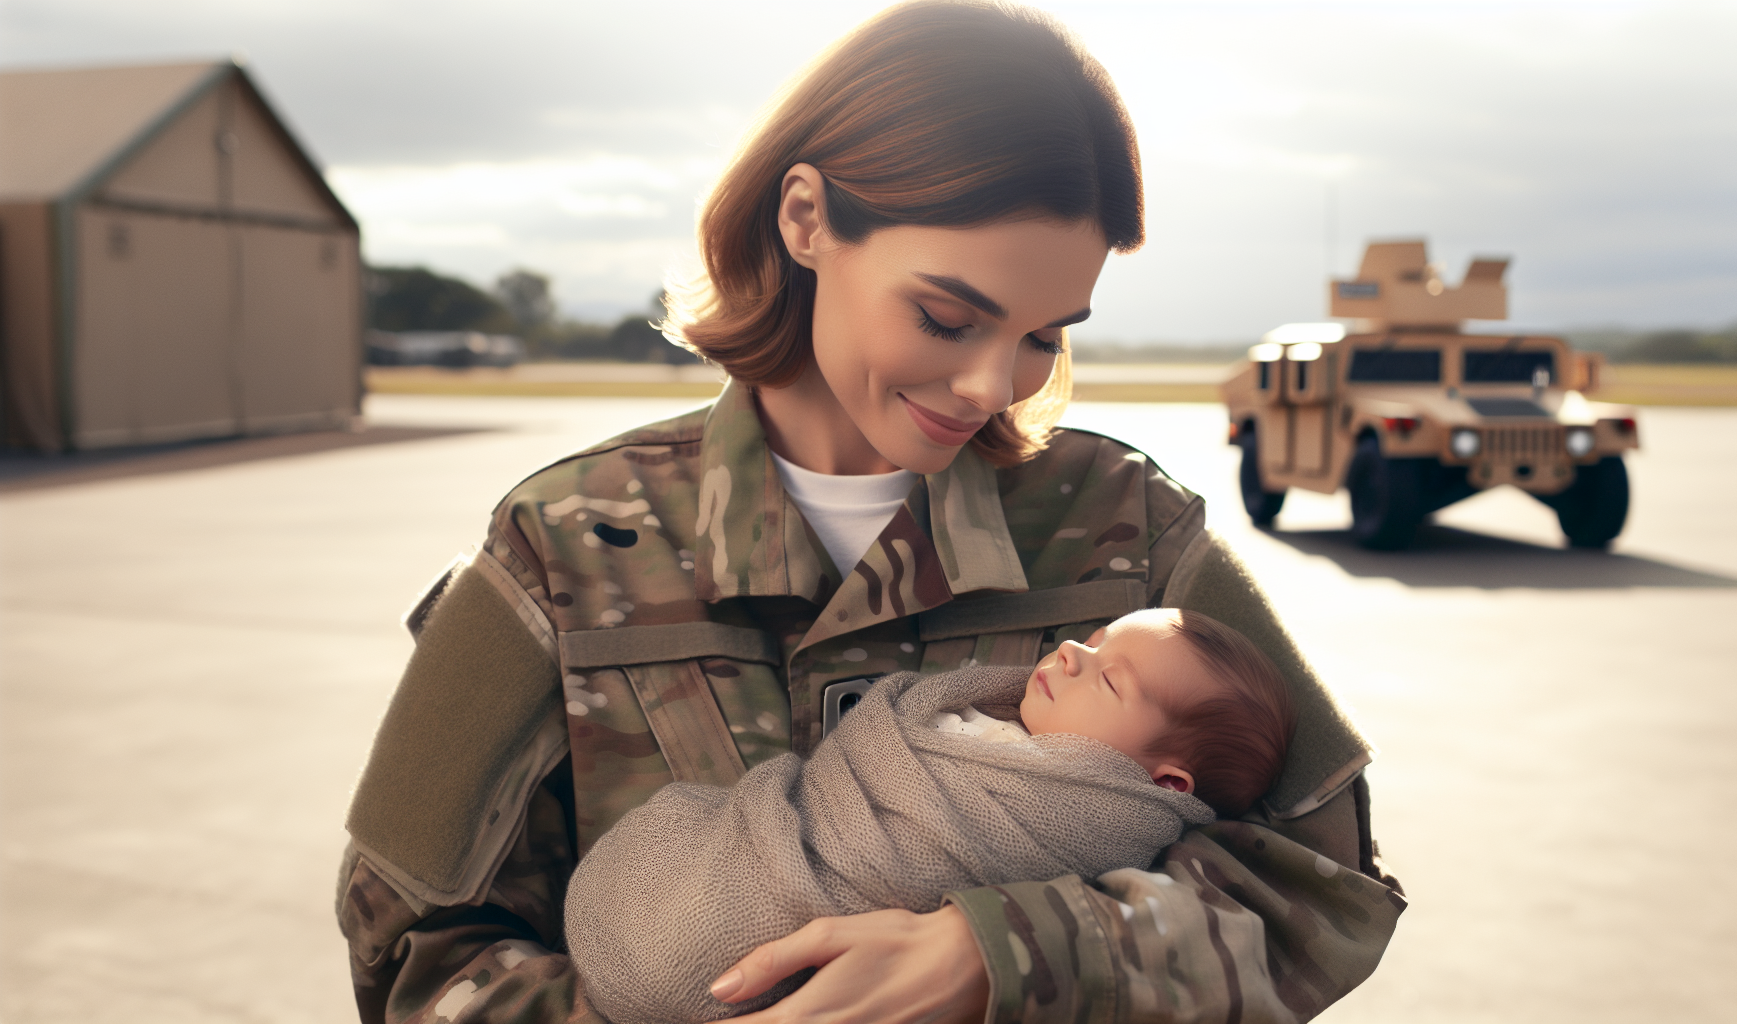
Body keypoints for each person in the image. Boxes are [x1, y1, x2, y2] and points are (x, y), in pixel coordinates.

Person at [337, 4, 1405, 1023]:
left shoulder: (1132, 526)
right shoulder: (562, 542)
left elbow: (1322, 890)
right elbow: (410, 946)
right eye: (947, 315)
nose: (996, 384)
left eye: (1044, 334)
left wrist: (1003, 959)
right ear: (805, 217)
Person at [564, 609, 1298, 1024]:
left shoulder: (1089, 814)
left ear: (1163, 781)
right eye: (1093, 637)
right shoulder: (986, 724)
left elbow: (1295, 918)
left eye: (1110, 674)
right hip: (762, 843)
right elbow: (874, 755)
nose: (1071, 650)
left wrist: (996, 952)